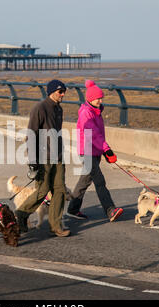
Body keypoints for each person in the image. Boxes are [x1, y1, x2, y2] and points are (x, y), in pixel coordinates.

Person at [15, 79, 70, 237]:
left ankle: (56, 225)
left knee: (59, 190)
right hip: (43, 157)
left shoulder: (59, 110)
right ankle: (21, 213)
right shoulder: (39, 108)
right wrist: (33, 161)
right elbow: (31, 135)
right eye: (60, 91)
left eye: (64, 91)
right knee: (43, 190)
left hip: (58, 157)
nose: (63, 94)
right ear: (51, 92)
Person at [66, 80, 123, 222]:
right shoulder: (86, 113)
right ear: (90, 99)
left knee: (84, 181)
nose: (100, 100)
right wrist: (107, 149)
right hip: (87, 152)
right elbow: (93, 134)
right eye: (97, 98)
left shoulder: (96, 111)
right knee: (99, 181)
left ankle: (72, 209)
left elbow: (98, 134)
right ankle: (110, 210)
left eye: (101, 97)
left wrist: (103, 150)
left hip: (95, 151)